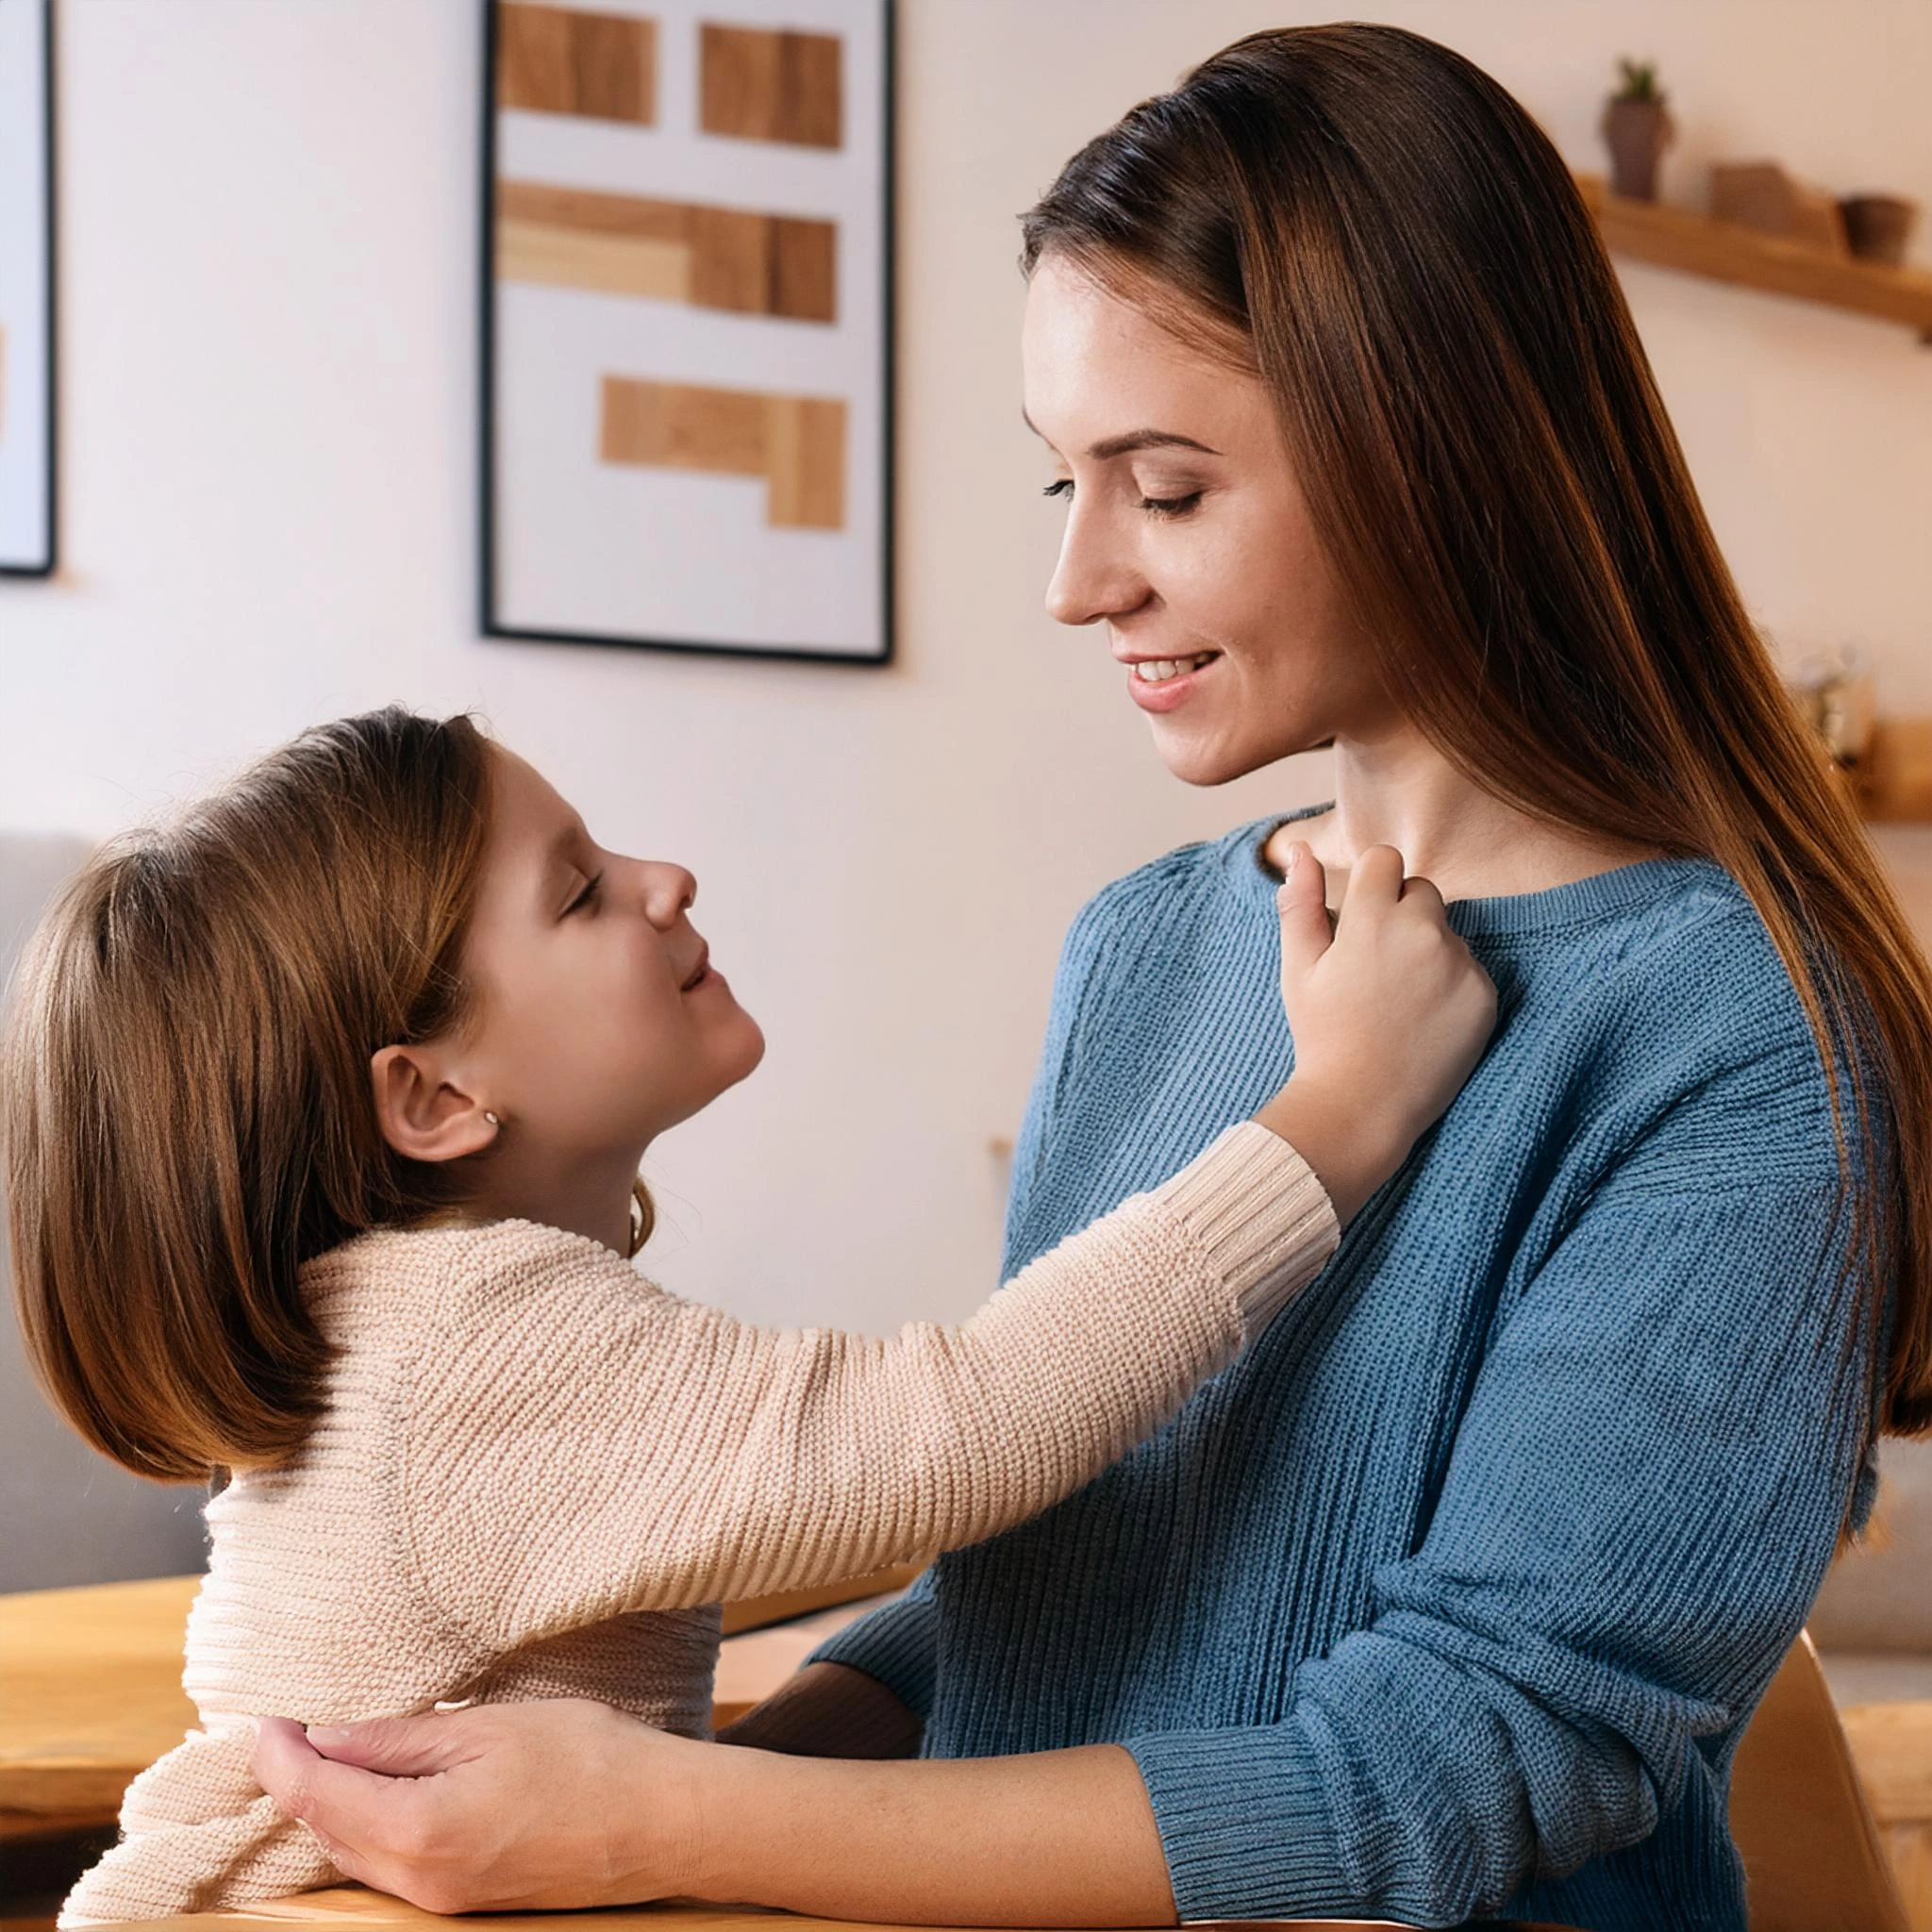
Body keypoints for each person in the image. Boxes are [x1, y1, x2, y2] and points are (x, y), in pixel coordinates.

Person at [247, 24, 1932, 1932]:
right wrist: (714, 1766)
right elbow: (1067, 1564)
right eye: (1068, 482)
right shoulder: (1143, 946)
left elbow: (1450, 1777)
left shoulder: (1740, 1041)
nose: (1081, 582)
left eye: (1170, 488)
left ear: (1433, 454)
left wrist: (656, 1825)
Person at [0, 709, 1491, 1926]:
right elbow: (960, 1427)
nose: (666, 879)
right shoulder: (471, 1347)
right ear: (437, 1099)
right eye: (579, 889)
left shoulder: (413, 1328)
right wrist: (1343, 1109)